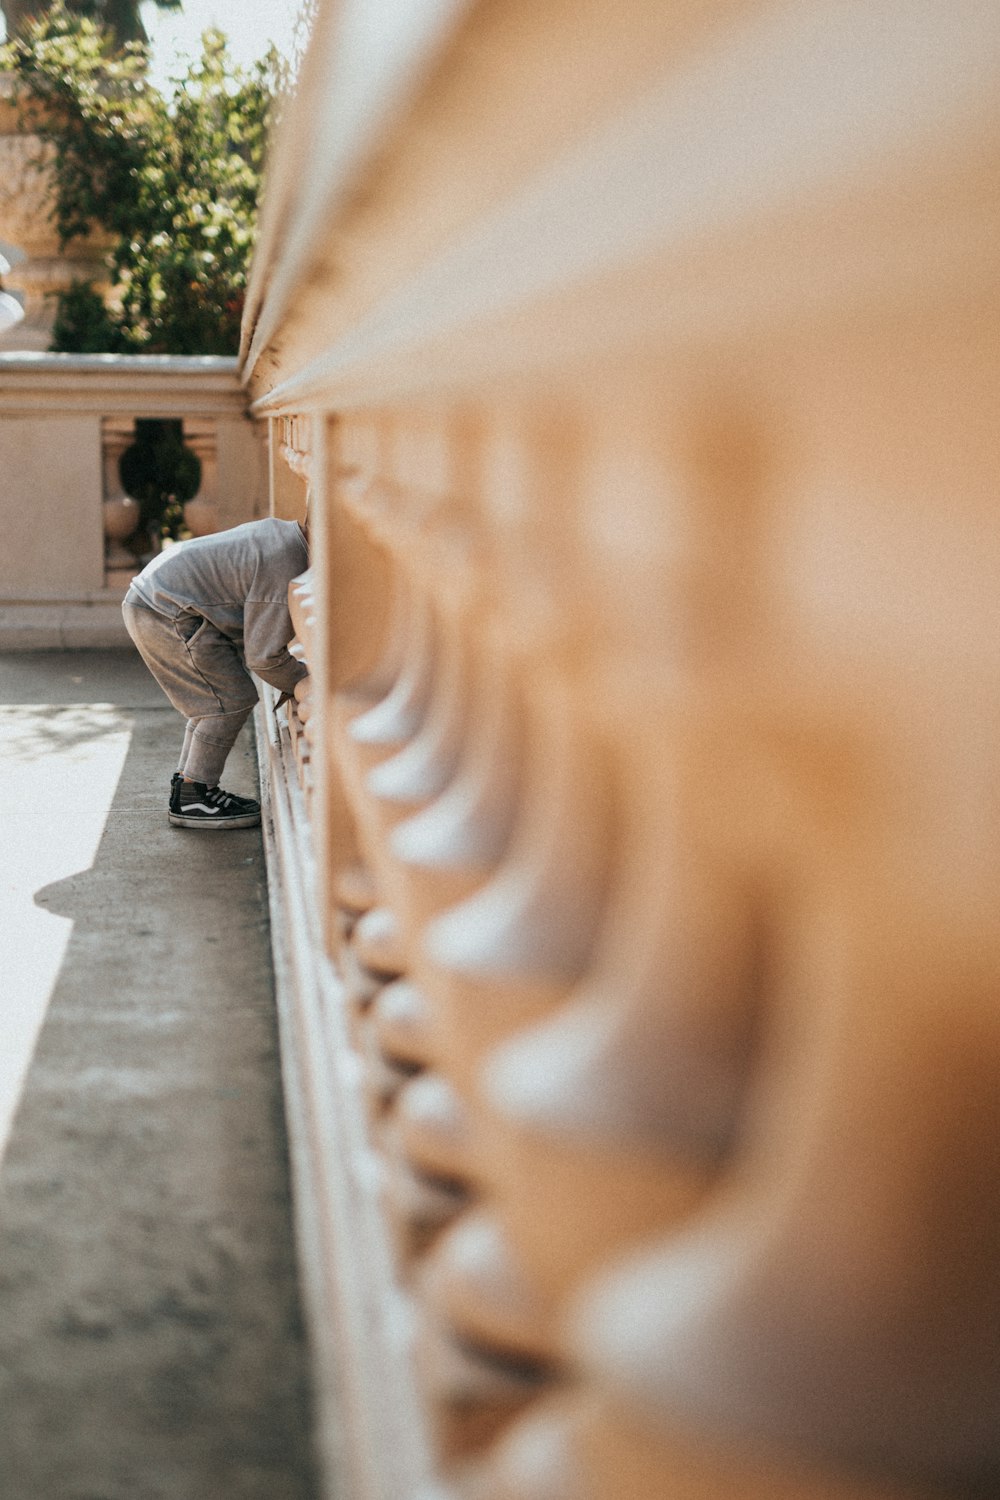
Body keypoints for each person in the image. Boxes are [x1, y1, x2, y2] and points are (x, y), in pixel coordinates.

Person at [122, 515, 309, 829]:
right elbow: (264, 658)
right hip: (164, 609)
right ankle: (195, 796)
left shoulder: (285, 536)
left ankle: (188, 785)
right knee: (227, 702)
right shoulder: (287, 564)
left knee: (211, 705)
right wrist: (307, 682)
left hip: (153, 598)